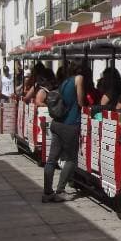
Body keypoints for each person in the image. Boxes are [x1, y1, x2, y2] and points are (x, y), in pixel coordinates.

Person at [42, 61, 84, 203]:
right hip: (70, 124)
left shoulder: (64, 82)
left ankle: (47, 192)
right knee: (72, 159)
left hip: (57, 123)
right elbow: (80, 102)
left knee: (51, 159)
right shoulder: (79, 79)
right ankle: (60, 190)